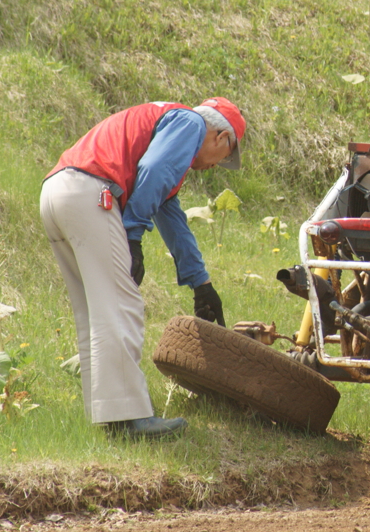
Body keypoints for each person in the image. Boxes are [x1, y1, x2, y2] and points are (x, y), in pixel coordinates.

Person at [40, 98, 246, 439]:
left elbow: (171, 216)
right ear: (221, 138)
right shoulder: (190, 124)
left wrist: (201, 284)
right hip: (93, 190)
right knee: (124, 305)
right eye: (223, 158)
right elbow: (152, 172)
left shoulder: (167, 128)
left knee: (95, 314)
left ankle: (110, 417)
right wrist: (132, 234)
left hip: (58, 191)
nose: (214, 166)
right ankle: (132, 419)